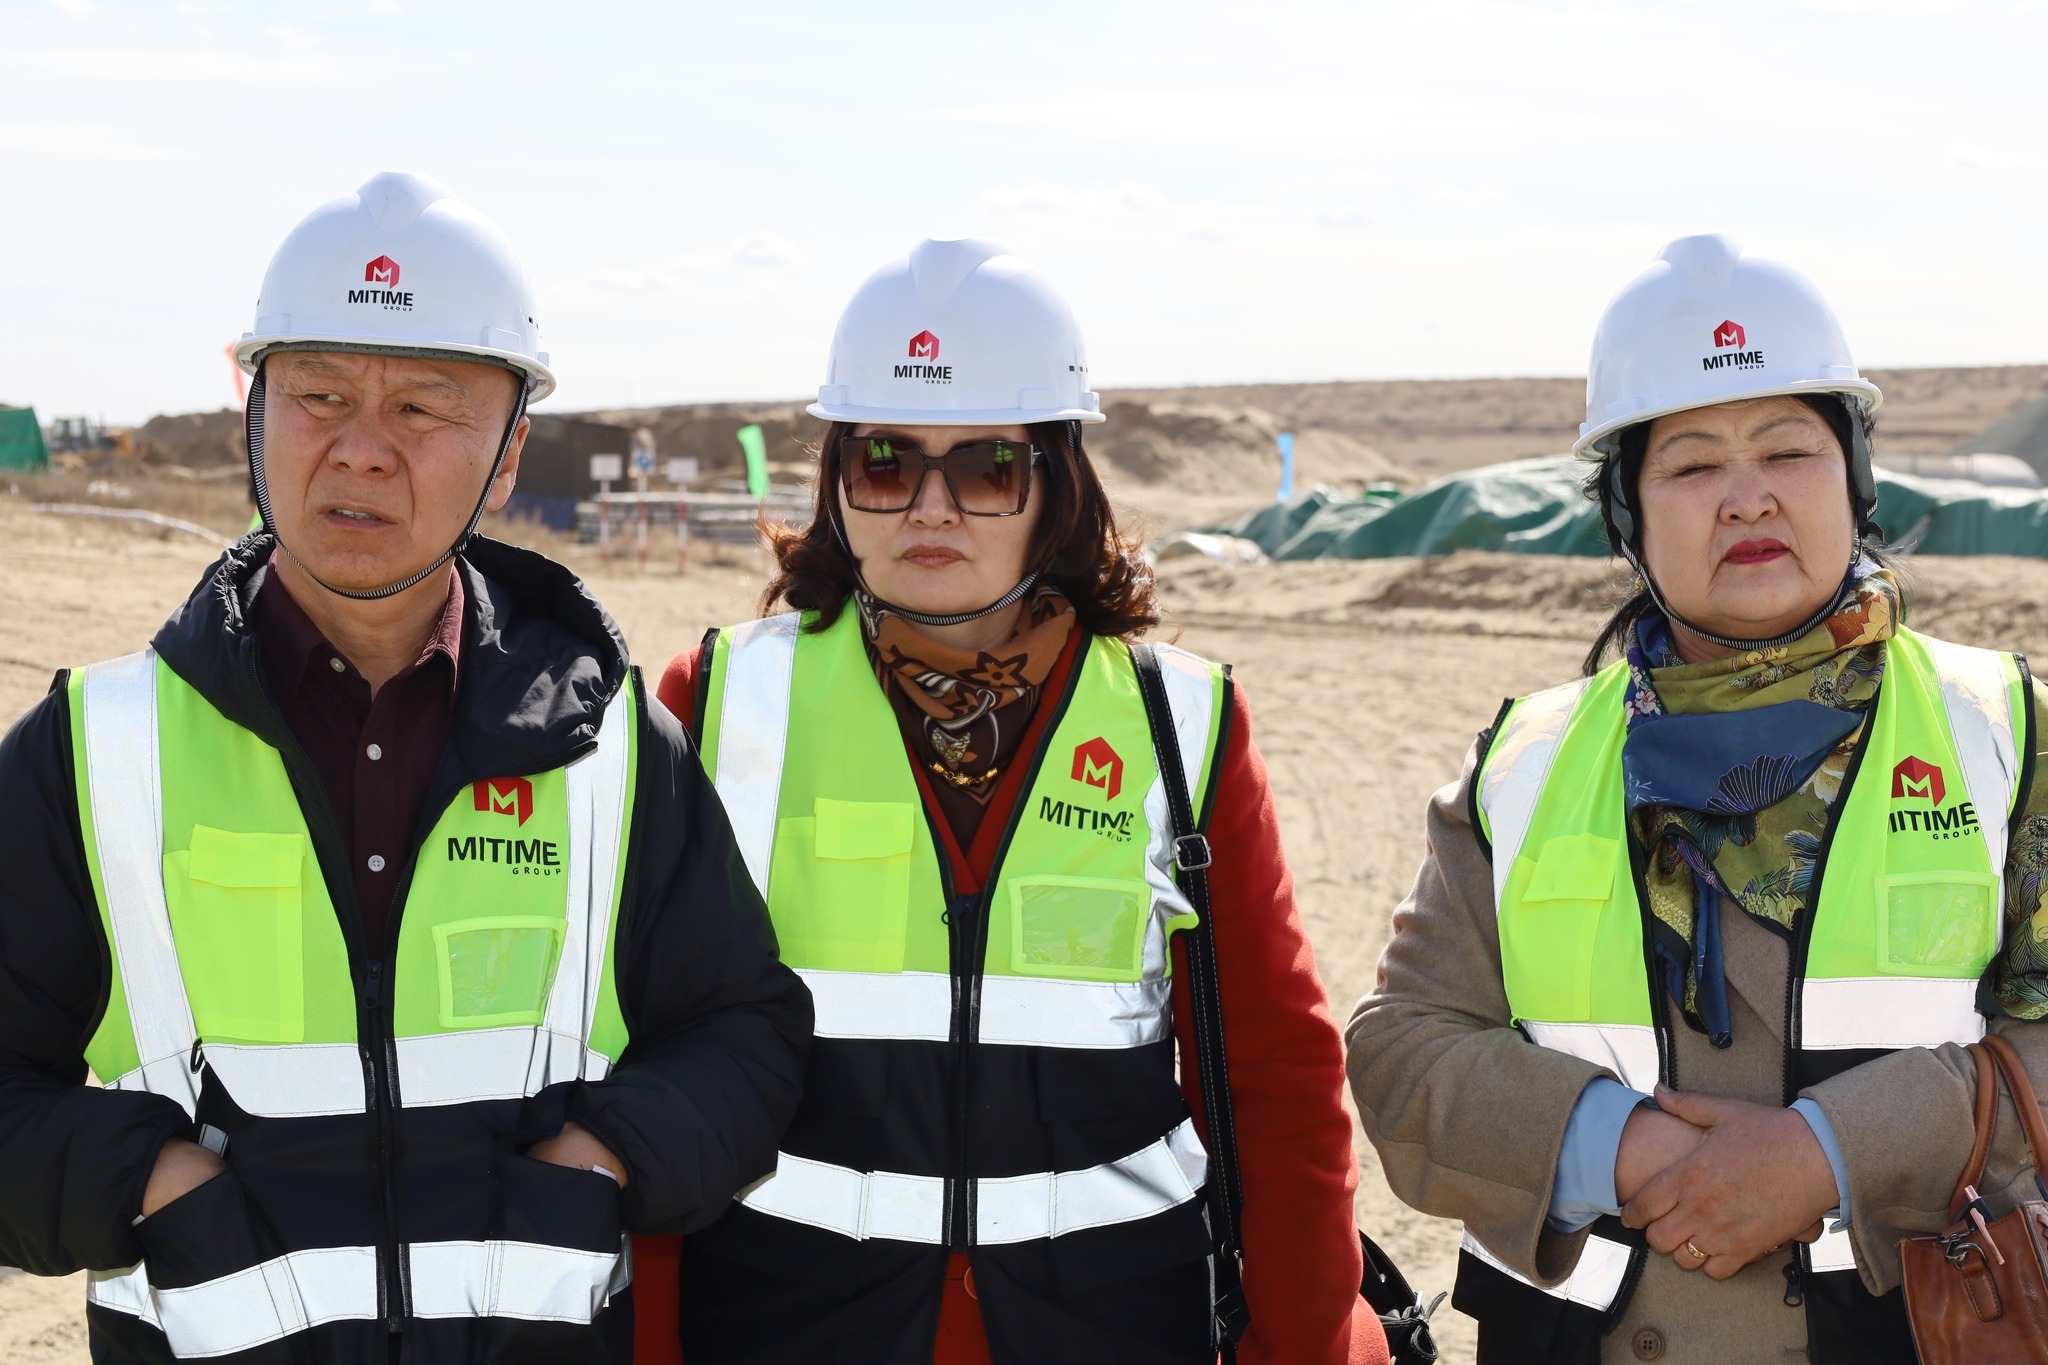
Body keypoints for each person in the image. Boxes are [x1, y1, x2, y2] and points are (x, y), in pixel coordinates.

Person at [0, 171, 813, 1363]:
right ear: (254, 410)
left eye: (424, 408)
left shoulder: (613, 749)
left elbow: (741, 1033)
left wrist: (602, 1163)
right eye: (319, 395)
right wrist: (154, 1185)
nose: (362, 451)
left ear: (510, 451)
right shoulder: (92, 749)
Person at [629, 239, 1385, 1364]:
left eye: (986, 468)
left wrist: (1311, 1344)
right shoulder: (718, 699)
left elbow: (1274, 1076)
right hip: (787, 1324)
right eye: (885, 462)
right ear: (837, 480)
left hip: (1109, 1328)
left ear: (1053, 486)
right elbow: (645, 1059)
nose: (930, 508)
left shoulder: (1179, 723)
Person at [1347, 232, 2048, 1362]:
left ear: (1855, 477)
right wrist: (1613, 1145)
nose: (1746, 498)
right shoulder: (1525, 760)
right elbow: (1405, 1049)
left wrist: (1831, 1154)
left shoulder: (2006, 731)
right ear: (1625, 512)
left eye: (1788, 450)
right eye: (1690, 466)